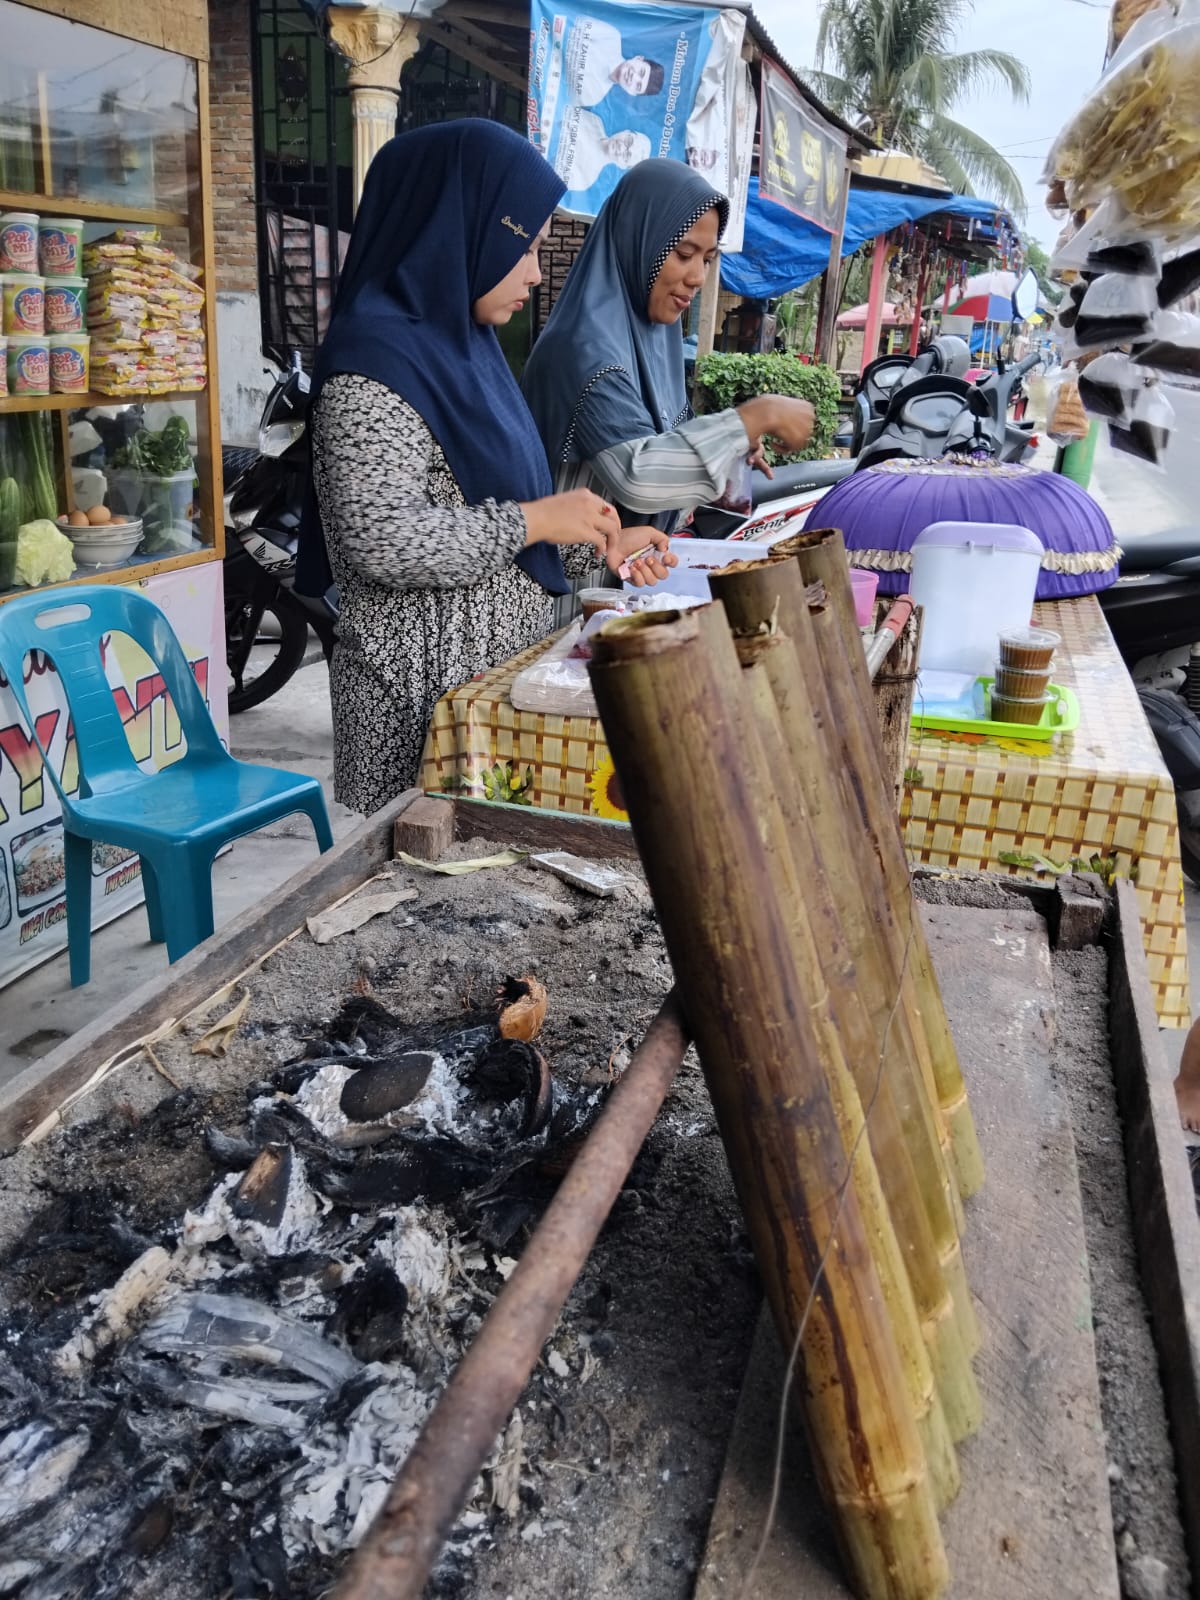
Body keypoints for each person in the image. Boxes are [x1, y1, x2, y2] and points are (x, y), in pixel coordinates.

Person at [297, 120, 672, 817]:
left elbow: (495, 527)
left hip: (490, 692)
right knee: (421, 894)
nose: (534, 271)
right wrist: (534, 517)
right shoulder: (371, 365)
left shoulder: (474, 354)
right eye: (523, 247)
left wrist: (600, 550)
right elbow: (381, 542)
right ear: (461, 228)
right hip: (414, 701)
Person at [522, 160, 817, 532]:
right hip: (572, 583)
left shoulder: (653, 341)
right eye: (682, 253)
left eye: (707, 259)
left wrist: (731, 449)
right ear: (639, 242)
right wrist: (754, 416)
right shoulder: (584, 350)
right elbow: (640, 477)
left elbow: (666, 448)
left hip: (631, 572)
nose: (697, 277)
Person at [565, 16, 664, 106]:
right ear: (638, 58)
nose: (634, 77)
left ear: (632, 93)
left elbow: (560, 96)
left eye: (638, 86)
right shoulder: (611, 37)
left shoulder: (594, 96)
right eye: (641, 72)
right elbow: (569, 19)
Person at [558, 112, 650, 195]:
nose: (621, 148)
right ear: (625, 131)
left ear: (623, 166)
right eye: (629, 141)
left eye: (627, 155)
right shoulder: (594, 122)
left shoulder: (586, 179)